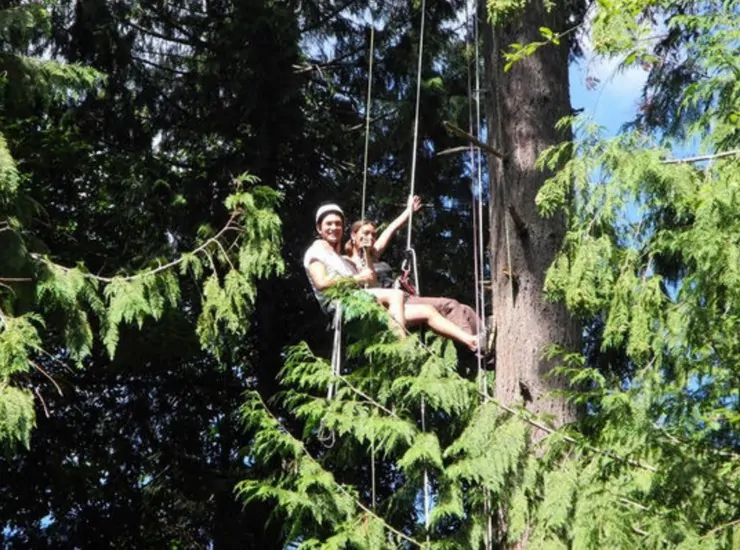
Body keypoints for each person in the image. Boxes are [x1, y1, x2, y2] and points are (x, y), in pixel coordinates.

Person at [304, 203, 483, 352]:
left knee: (428, 311)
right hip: (351, 305)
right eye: (329, 224)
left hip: (373, 304)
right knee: (396, 295)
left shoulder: (355, 260)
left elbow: (388, 233)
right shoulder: (323, 253)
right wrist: (359, 278)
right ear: (319, 228)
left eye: (338, 224)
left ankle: (472, 340)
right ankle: (401, 346)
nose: (334, 227)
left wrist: (407, 212)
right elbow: (322, 283)